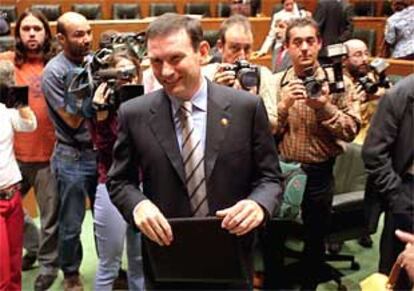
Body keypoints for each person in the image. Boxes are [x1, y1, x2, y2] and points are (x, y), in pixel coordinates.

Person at [107, 13, 282, 290]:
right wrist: (137, 205)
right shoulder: (134, 113)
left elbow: (270, 178)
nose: (165, 72)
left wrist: (258, 204)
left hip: (231, 258)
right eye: (156, 62)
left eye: (175, 59)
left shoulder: (246, 108)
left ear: (202, 52)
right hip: (167, 261)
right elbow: (119, 181)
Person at [271, 17, 360, 289]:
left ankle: (309, 285)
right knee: (274, 236)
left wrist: (324, 108)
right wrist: (284, 106)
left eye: (311, 41)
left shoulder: (338, 82)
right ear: (287, 47)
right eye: (297, 42)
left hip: (319, 175)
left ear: (319, 43)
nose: (305, 48)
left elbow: (351, 130)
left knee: (315, 238)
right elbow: (263, 133)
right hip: (282, 173)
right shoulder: (275, 83)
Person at [0, 9, 60, 290]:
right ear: (18, 34)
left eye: (37, 29)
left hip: (49, 154)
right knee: (13, 212)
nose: (32, 34)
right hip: (13, 157)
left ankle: (48, 266)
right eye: (26, 29)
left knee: (50, 218)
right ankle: (33, 246)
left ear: (46, 33)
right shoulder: (7, 63)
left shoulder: (56, 64)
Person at [41, 12, 97, 290]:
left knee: (105, 218)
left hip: (101, 153)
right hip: (71, 156)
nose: (87, 39)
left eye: (88, 32)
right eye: (79, 34)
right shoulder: (54, 72)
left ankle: (111, 265)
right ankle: (71, 273)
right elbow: (72, 119)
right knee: (72, 224)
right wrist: (95, 92)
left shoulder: (94, 61)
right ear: (61, 38)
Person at [88, 52, 144, 290]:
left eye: (131, 73)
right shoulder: (102, 109)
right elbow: (106, 151)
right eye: (120, 74)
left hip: (142, 186)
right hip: (111, 185)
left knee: (140, 263)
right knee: (108, 265)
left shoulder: (146, 105)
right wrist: (102, 116)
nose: (127, 80)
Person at [362, 73, 414, 290]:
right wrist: (397, 196)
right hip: (406, 196)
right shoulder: (400, 95)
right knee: (398, 275)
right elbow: (373, 153)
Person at [203, 14, 278, 133]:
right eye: (235, 48)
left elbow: (273, 127)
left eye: (247, 49)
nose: (242, 56)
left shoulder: (263, 76)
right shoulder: (206, 74)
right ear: (220, 47)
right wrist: (213, 93)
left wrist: (252, 103)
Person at [0, 59, 38, 291]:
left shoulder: (4, 109)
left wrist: (14, 91)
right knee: (2, 275)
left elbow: (29, 124)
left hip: (13, 194)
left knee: (14, 270)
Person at [255, 0, 309, 68]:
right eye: (287, 4)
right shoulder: (278, 15)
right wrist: (263, 50)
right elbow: (271, 35)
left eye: (291, 4)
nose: (289, 7)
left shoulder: (301, 14)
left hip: (295, 47)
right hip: (280, 47)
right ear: (283, 5)